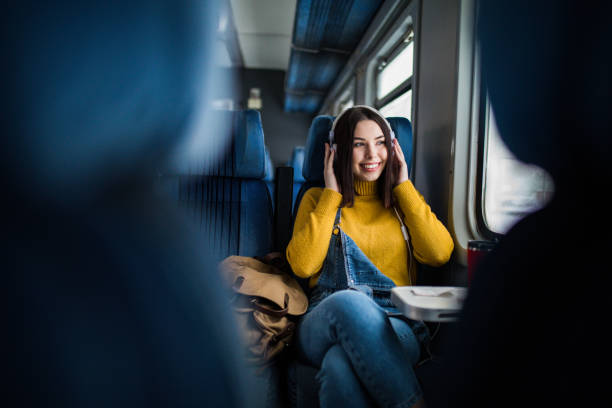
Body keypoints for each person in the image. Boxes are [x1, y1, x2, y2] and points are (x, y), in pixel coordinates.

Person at [286, 106, 454, 407]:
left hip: (395, 321)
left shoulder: (404, 202)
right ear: (336, 151)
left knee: (339, 365)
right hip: (325, 315)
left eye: (380, 142)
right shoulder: (316, 199)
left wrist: (403, 187)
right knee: (349, 301)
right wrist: (332, 195)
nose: (372, 154)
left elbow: (439, 254)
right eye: (358, 144)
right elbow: (302, 264)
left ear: (393, 148)